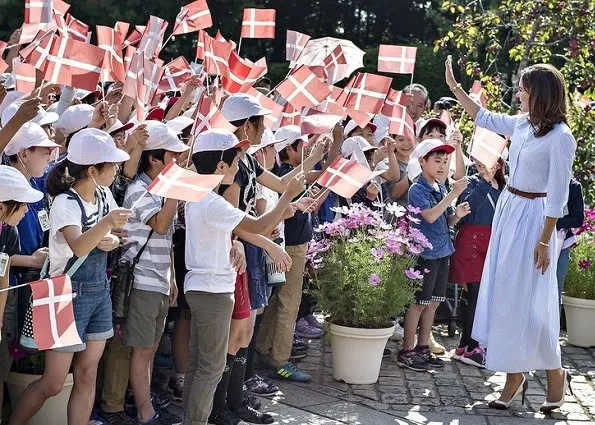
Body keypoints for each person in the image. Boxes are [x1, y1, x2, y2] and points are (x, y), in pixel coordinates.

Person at [445, 56, 576, 412]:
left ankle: (553, 371)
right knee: (505, 294)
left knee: (533, 299)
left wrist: (545, 240)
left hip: (536, 220)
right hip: (509, 210)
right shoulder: (521, 124)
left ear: (541, 93)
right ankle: (513, 375)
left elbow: (559, 195)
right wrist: (455, 88)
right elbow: (483, 117)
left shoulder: (562, 138)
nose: (518, 94)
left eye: (523, 88)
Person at [8, 129, 132, 425]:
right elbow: (78, 245)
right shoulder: (66, 201)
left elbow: (118, 234)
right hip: (66, 293)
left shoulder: (104, 195)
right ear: (92, 170)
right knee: (52, 382)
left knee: (88, 373)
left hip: (99, 290)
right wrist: (106, 228)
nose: (116, 170)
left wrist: (111, 237)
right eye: (111, 165)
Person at [182, 129, 304, 425]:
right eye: (235, 161)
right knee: (210, 367)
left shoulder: (201, 197)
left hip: (203, 287)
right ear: (220, 166)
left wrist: (237, 241)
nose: (239, 167)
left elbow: (240, 232)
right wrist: (286, 195)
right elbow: (260, 225)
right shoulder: (212, 202)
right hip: (212, 290)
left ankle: (193, 417)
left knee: (199, 365)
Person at [120, 121, 189, 425]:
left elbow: (168, 238)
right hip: (143, 282)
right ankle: (145, 412)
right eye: (172, 156)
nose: (178, 162)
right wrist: (174, 192)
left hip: (160, 281)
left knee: (149, 350)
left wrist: (172, 277)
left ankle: (147, 407)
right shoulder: (138, 190)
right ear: (154, 159)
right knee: (143, 351)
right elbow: (160, 225)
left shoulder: (161, 190)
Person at [397, 139, 470, 372]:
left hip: (442, 251)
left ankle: (422, 348)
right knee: (418, 304)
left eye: (445, 161)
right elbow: (428, 216)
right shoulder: (417, 189)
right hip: (424, 254)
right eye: (437, 161)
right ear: (422, 161)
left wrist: (456, 215)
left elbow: (444, 219)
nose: (442, 166)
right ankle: (407, 350)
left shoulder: (440, 187)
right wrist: (452, 196)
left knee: (434, 303)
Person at [450, 158, 506, 368]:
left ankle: (465, 345)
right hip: (471, 241)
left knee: (477, 296)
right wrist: (484, 181)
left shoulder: (506, 187)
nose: (484, 164)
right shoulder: (470, 182)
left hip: (492, 243)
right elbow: (466, 209)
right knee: (474, 294)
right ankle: (473, 347)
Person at [0, 165, 45, 417]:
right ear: (2, 207)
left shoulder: (9, 231)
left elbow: (3, 274)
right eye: (22, 204)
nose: (27, 210)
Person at [555, 178, 584, 303]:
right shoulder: (543, 181)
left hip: (562, 245)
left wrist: (555, 222)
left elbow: (578, 219)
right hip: (537, 241)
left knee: (556, 290)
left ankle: (555, 322)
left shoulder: (574, 186)